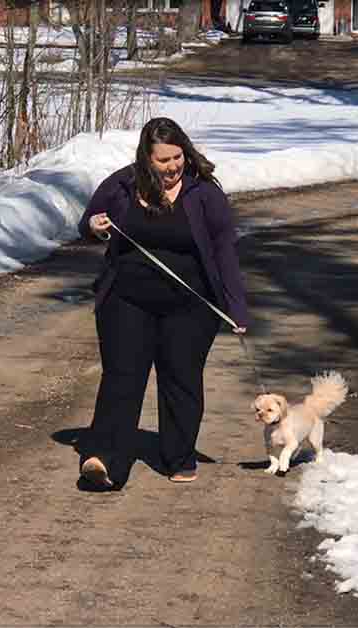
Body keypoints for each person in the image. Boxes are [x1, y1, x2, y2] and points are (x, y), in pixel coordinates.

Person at [76, 117, 250, 489]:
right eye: (164, 160)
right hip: (126, 299)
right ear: (146, 158)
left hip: (191, 304)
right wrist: (94, 227)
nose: (173, 166)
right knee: (122, 378)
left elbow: (224, 252)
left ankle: (179, 455)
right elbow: (87, 223)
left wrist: (237, 308)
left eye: (178, 157)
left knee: (181, 379)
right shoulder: (121, 185)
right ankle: (105, 459)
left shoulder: (204, 193)